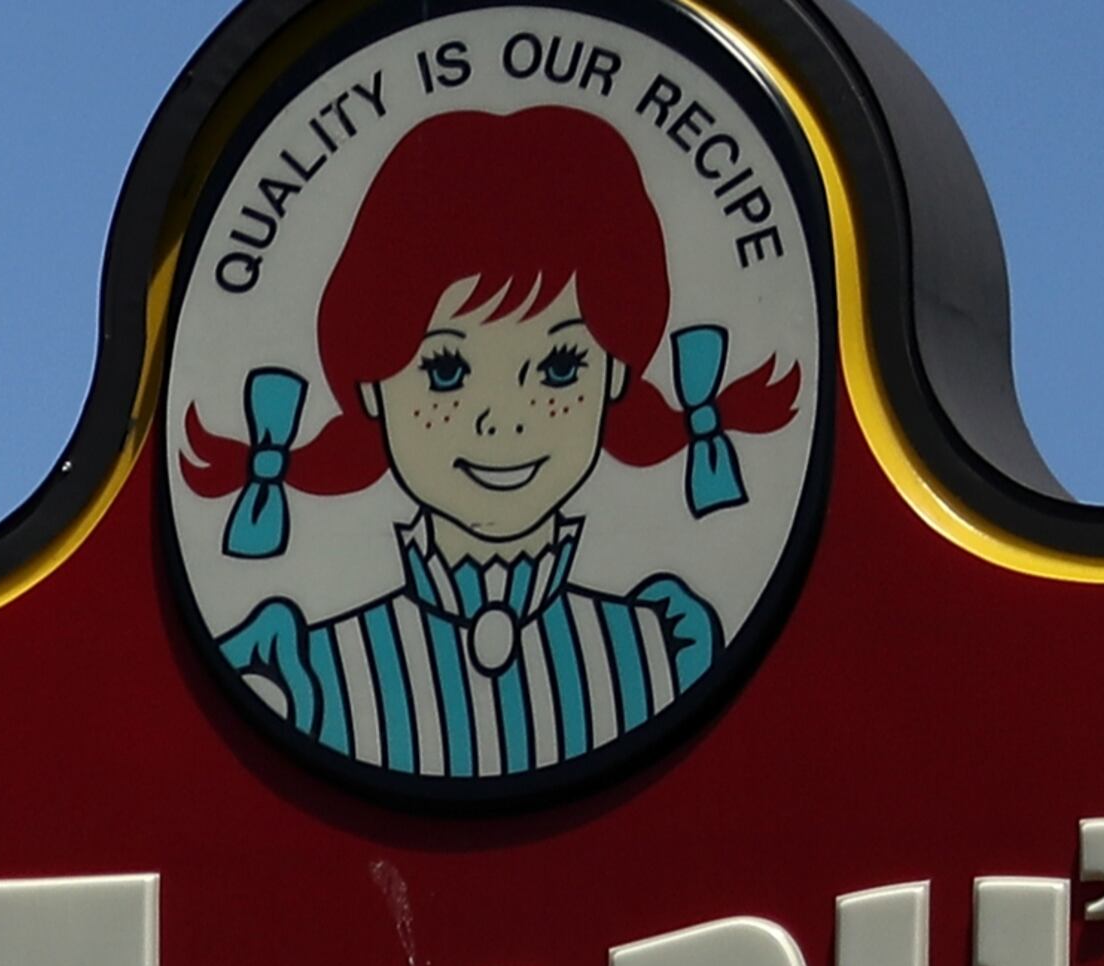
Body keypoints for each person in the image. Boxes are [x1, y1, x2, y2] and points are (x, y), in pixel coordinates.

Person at [181, 103, 802, 781]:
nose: (502, 421)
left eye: (560, 367)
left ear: (618, 372)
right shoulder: (311, 673)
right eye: (446, 370)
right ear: (369, 385)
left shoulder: (661, 644)